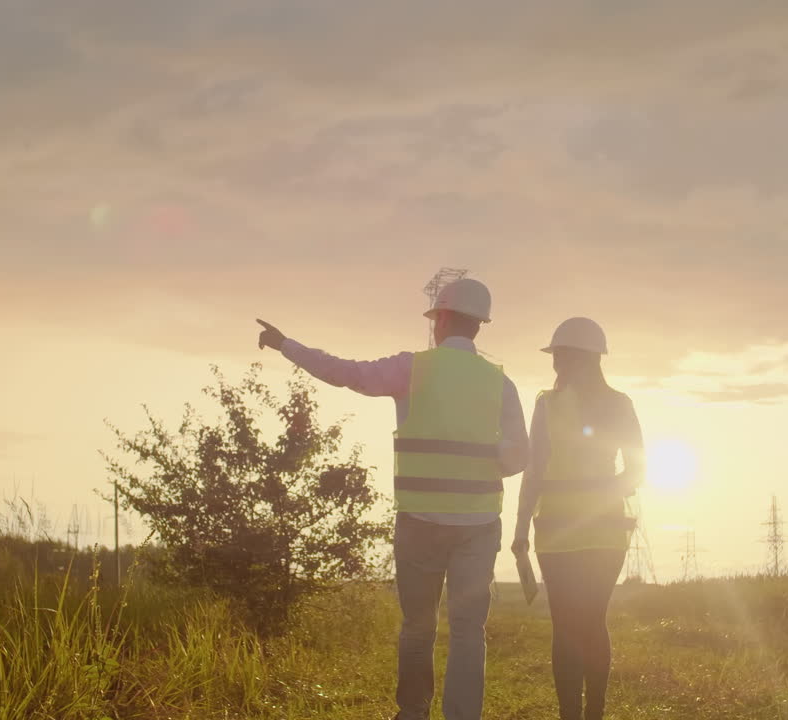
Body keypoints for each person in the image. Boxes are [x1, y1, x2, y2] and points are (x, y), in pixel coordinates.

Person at [256, 277, 528, 720]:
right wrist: (485, 455)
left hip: (419, 522)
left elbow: (344, 372)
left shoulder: (411, 368)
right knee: (467, 632)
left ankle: (413, 713)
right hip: (477, 526)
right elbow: (519, 457)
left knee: (418, 628)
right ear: (479, 325)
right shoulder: (502, 384)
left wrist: (287, 345)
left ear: (438, 319)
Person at [511, 317, 644, 720]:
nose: (555, 365)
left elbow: (534, 471)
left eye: (559, 356)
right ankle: (593, 715)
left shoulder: (547, 405)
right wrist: (603, 495)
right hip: (603, 531)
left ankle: (573, 715)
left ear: (571, 358)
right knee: (592, 621)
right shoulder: (619, 404)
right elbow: (637, 472)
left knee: (567, 624)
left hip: (556, 529)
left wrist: (520, 530)